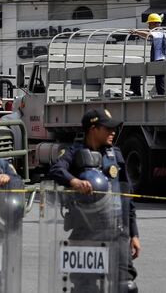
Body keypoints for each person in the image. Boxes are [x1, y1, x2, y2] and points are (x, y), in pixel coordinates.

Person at [48, 108, 140, 292]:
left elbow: (126, 197)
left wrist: (134, 234)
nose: (113, 132)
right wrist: (74, 181)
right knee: (85, 288)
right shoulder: (73, 153)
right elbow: (56, 170)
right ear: (93, 129)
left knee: (125, 286)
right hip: (85, 232)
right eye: (107, 128)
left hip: (116, 232)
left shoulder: (116, 155)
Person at [130, 13, 166, 96]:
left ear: (155, 23)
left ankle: (162, 96)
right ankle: (135, 91)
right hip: (157, 60)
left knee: (160, 81)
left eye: (149, 23)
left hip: (160, 60)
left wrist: (136, 31)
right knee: (137, 71)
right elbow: (148, 33)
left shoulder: (160, 32)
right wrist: (137, 33)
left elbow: (148, 34)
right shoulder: (159, 31)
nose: (148, 25)